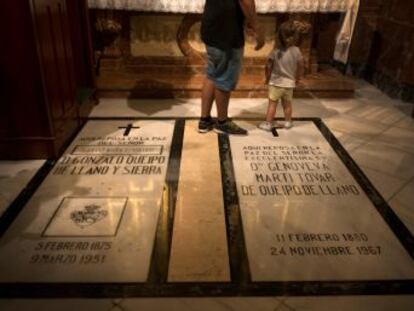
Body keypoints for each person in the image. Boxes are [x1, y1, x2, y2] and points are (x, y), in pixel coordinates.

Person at [198, 0, 265, 135]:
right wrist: (256, 26)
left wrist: (245, 19)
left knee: (213, 73)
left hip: (212, 25)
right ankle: (222, 123)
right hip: (227, 31)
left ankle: (204, 120)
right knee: (224, 78)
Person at [258, 20, 305, 131]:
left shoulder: (276, 51)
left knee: (272, 104)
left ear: (279, 36)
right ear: (295, 36)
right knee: (287, 104)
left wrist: (267, 78)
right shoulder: (297, 51)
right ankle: (288, 122)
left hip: (276, 83)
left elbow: (268, 66)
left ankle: (268, 124)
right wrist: (297, 78)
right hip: (289, 84)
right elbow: (301, 66)